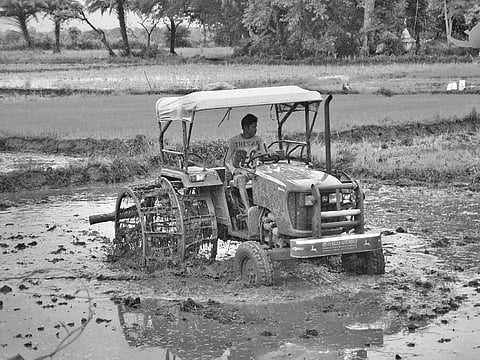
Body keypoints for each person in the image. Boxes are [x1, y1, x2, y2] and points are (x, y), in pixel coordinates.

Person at [225, 113, 266, 214]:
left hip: (256, 171)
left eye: (256, 127)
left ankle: (265, 208)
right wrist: (235, 171)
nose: (255, 129)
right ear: (245, 127)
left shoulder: (259, 140)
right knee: (240, 180)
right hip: (242, 171)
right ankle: (248, 211)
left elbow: (265, 155)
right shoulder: (234, 141)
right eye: (253, 127)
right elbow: (226, 161)